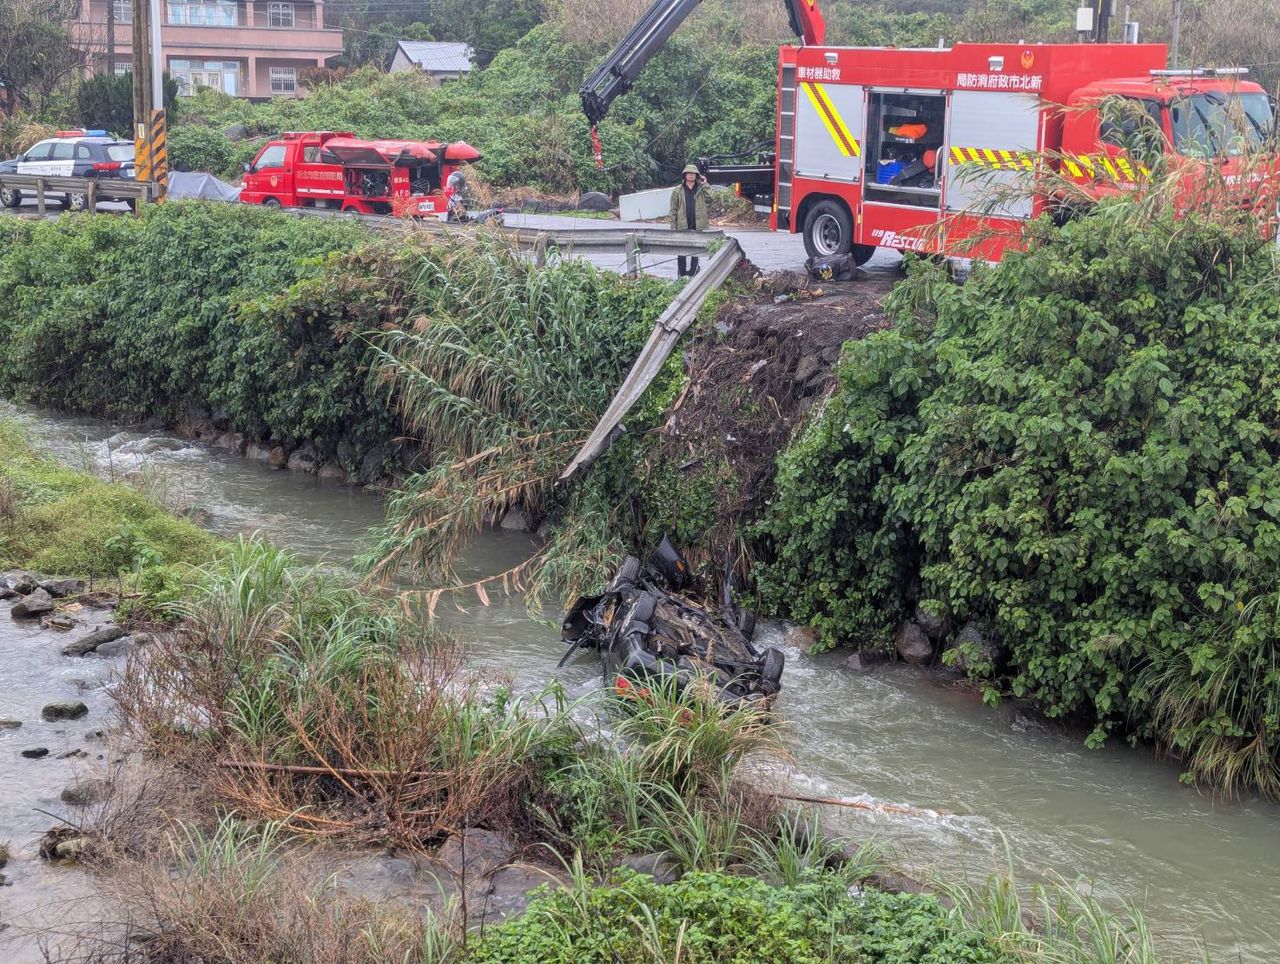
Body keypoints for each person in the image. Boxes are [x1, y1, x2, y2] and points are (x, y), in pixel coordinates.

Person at [670, 163, 709, 277]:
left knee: (695, 250)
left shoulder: (701, 188)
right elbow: (673, 209)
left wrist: (705, 183)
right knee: (682, 251)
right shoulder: (677, 190)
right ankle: (681, 274)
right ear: (685, 175)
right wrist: (673, 227)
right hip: (682, 225)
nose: (691, 175)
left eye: (694, 173)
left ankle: (693, 273)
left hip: (698, 224)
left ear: (697, 175)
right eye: (689, 173)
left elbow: (712, 197)